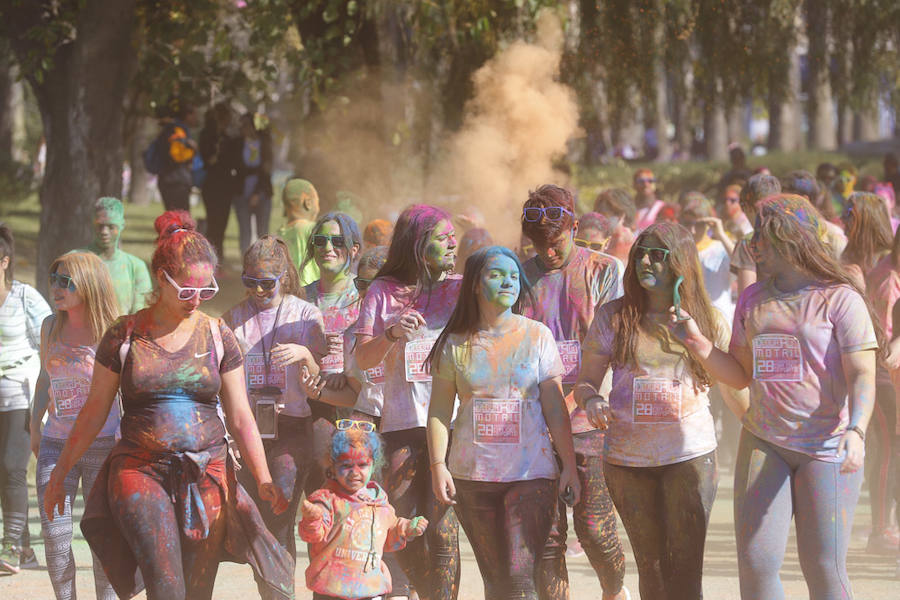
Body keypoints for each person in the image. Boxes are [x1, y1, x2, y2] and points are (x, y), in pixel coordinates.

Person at [43, 211, 293, 600]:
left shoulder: (217, 334)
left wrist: (261, 478)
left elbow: (242, 416)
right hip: (139, 473)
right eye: (186, 290)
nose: (196, 301)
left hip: (208, 472)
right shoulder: (123, 335)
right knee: (167, 586)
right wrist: (60, 473)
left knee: (197, 590)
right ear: (161, 279)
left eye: (206, 291)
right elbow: (93, 412)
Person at [672, 194, 879, 599]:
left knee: (823, 567)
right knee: (755, 563)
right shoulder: (753, 299)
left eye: (760, 237)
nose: (752, 246)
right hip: (765, 440)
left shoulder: (840, 297)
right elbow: (741, 374)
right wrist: (697, 344)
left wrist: (857, 429)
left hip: (827, 447)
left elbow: (862, 373)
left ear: (790, 238)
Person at [574, 222, 737, 600]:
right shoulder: (614, 317)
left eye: (658, 255)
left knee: (685, 568)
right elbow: (585, 383)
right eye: (640, 254)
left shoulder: (709, 320)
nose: (645, 261)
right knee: (651, 567)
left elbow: (735, 386)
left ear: (680, 262)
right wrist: (592, 400)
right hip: (628, 461)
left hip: (690, 456)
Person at [427, 245, 581, 600]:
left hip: (532, 474)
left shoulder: (537, 336)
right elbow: (438, 412)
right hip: (472, 474)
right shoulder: (454, 343)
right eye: (496, 275)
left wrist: (569, 465)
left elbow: (556, 409)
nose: (508, 282)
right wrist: (438, 465)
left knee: (518, 578)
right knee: (495, 581)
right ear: (476, 286)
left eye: (514, 276)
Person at [516, 186, 627, 600]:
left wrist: (584, 395)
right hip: (535, 425)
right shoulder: (520, 275)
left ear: (575, 227)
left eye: (556, 241)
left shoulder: (604, 270)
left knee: (596, 530)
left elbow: (617, 344)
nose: (547, 252)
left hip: (589, 420)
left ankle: (615, 591)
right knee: (547, 537)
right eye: (539, 244)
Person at [355, 204, 462, 600]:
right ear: (417, 246)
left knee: (444, 532)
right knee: (406, 529)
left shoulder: (460, 289)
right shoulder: (383, 291)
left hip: (452, 427)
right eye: (442, 238)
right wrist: (393, 333)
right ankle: (421, 591)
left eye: (453, 236)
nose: (453, 244)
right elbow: (362, 358)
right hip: (401, 424)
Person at [222, 235, 327, 585]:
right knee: (255, 525)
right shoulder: (232, 319)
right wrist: (229, 437)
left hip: (293, 425)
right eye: (249, 282)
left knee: (277, 518)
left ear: (283, 277)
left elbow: (322, 382)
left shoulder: (306, 314)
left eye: (266, 283)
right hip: (248, 428)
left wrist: (306, 355)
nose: (257, 290)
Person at [31, 252, 120, 599]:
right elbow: (43, 379)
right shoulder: (50, 327)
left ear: (89, 285)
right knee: (55, 540)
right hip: (56, 444)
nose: (56, 287)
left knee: (103, 540)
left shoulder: (112, 332)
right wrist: (34, 427)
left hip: (104, 445)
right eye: (54, 279)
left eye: (66, 281)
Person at [299, 423, 428, 600]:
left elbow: (389, 532)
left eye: (362, 464)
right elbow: (313, 536)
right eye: (346, 465)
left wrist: (406, 528)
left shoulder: (378, 502)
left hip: (369, 587)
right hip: (331, 588)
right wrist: (313, 519)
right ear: (332, 466)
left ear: (374, 465)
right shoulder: (326, 499)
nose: (354, 472)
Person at [0, 224, 52, 573]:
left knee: (13, 467)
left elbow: (48, 343)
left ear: (4, 261)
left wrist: (45, 398)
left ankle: (9, 550)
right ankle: (26, 549)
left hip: (20, 391)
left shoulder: (24, 297)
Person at [77, 197, 153, 314]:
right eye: (100, 226)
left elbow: (140, 314)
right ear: (93, 223)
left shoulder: (136, 267)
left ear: (122, 225)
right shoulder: (75, 261)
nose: (104, 232)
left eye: (111, 227)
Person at [678, 195, 734, 323]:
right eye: (687, 223)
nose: (692, 230)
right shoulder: (678, 250)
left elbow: (744, 265)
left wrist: (721, 235)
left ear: (709, 222)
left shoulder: (722, 249)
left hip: (719, 323)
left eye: (698, 224)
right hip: (689, 323)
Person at [198, 102, 240, 261]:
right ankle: (210, 258)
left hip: (226, 185)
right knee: (214, 223)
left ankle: (218, 258)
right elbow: (207, 159)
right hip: (212, 184)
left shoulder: (229, 139)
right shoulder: (208, 136)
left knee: (221, 224)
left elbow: (234, 161)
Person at [732, 173, 781, 295]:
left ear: (747, 207)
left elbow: (747, 296)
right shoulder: (797, 235)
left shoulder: (749, 242)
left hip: (766, 311)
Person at [235, 113, 274, 254]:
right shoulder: (238, 144)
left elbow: (265, 171)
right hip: (242, 193)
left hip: (262, 193)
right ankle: (246, 264)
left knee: (262, 232)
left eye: (245, 125)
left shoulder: (264, 144)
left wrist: (257, 193)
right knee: (244, 232)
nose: (242, 128)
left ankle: (264, 263)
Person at [840, 191, 893, 290]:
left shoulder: (888, 260)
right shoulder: (851, 252)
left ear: (867, 220)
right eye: (843, 213)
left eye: (848, 213)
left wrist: (861, 287)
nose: (841, 218)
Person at [155, 97, 199, 213]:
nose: (197, 118)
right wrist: (193, 149)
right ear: (187, 115)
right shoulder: (179, 130)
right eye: (195, 114)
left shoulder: (167, 129)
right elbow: (177, 156)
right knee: (181, 221)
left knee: (173, 220)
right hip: (177, 181)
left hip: (166, 179)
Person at [279, 178, 321, 286]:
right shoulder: (312, 229)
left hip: (288, 291)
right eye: (318, 202)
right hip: (309, 292)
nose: (319, 208)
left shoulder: (280, 233)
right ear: (308, 203)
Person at [593, 188, 636, 263]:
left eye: (604, 215)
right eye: (598, 214)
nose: (599, 220)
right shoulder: (598, 237)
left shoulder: (626, 240)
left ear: (621, 215)